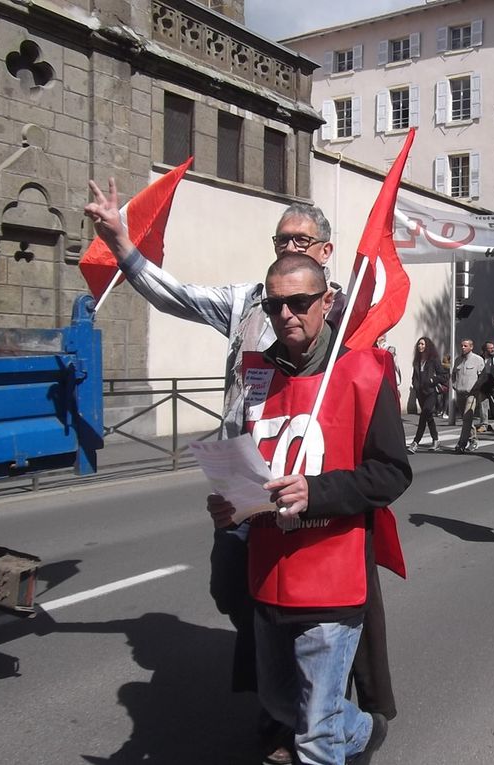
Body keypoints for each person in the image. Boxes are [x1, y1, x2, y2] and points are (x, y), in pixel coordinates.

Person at [84, 179, 395, 763]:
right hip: (246, 491)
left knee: (325, 626)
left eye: (301, 239)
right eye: (281, 237)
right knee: (238, 592)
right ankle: (293, 703)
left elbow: (377, 444)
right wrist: (123, 245)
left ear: (325, 257)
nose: (287, 246)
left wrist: (324, 490)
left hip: (322, 507)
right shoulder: (249, 301)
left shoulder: (343, 310)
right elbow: (174, 294)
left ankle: (321, 718)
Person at [208, 255, 412, 765]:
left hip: (331, 578)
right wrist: (233, 502)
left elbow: (392, 472)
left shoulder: (363, 370)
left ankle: (339, 734)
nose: (286, 316)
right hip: (269, 573)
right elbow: (251, 464)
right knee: (281, 701)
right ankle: (362, 728)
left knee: (315, 739)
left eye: (299, 303)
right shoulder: (256, 376)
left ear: (326, 303)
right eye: (274, 305)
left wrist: (315, 492)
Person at [408, 337, 444, 453]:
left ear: (427, 346)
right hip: (420, 393)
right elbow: (414, 376)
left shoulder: (433, 360)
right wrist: (415, 384)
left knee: (424, 415)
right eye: (419, 344)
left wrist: (433, 380)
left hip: (431, 392)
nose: (420, 346)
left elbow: (443, 376)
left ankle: (415, 442)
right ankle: (436, 440)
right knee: (428, 416)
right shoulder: (417, 361)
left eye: (422, 344)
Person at [451, 338, 485, 452]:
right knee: (466, 419)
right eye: (461, 346)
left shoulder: (478, 360)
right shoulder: (457, 360)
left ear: (471, 347)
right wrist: (454, 385)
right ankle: (473, 439)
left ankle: (462, 443)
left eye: (465, 346)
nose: (463, 348)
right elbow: (453, 375)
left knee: (467, 417)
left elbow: (482, 377)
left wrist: (476, 389)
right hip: (460, 393)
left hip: (472, 394)